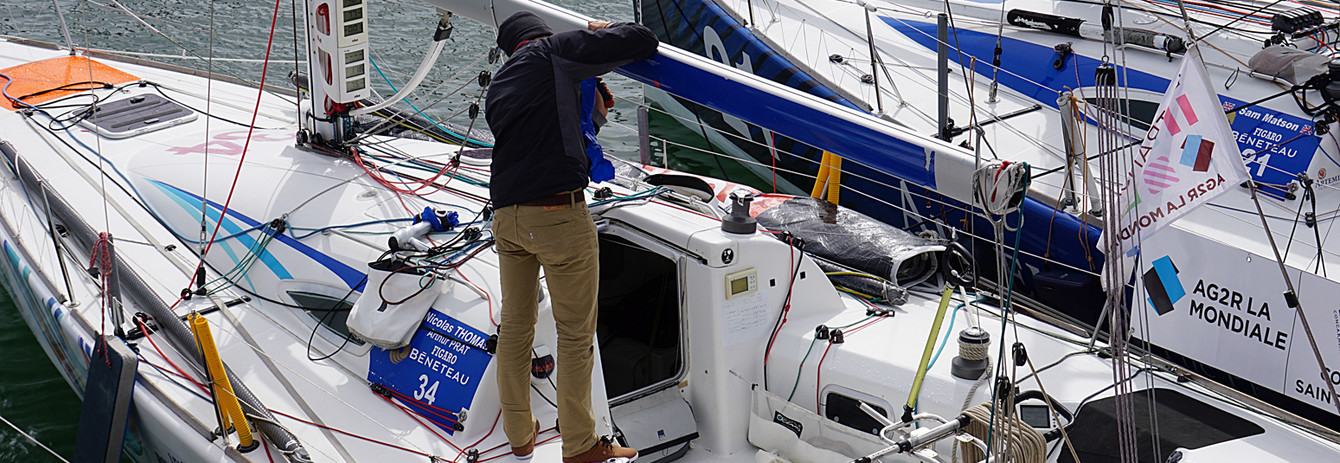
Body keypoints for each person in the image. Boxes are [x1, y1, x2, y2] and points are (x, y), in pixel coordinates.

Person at [484, 10, 658, 463]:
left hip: (507, 217)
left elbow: (548, 128)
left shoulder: (500, 86)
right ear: (542, 35)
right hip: (558, 215)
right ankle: (580, 444)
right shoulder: (553, 53)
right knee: (575, 335)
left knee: (516, 329)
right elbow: (641, 39)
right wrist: (599, 33)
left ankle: (519, 433)